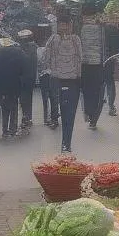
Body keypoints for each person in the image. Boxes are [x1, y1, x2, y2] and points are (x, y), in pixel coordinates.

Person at [46, 14, 83, 153]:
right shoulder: (75, 39)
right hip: (69, 81)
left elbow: (45, 58)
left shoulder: (55, 39)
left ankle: (66, 143)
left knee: (65, 112)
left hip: (61, 81)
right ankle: (66, 144)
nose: (63, 27)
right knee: (68, 114)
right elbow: (80, 59)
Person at [0, 34, 28, 138]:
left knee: (5, 107)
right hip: (15, 82)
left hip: (2, 83)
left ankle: (5, 130)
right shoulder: (18, 51)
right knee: (14, 106)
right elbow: (24, 66)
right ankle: (13, 129)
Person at [79, 4, 106, 130]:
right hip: (98, 64)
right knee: (97, 92)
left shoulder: (80, 27)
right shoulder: (101, 27)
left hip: (84, 64)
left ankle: (89, 114)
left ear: (84, 14)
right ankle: (93, 119)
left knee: (87, 91)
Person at [37, 31, 58, 128]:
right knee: (54, 98)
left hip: (44, 76)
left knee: (46, 99)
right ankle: (54, 118)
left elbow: (39, 64)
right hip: (53, 76)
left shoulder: (41, 51)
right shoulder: (58, 52)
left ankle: (47, 119)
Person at [18, 30, 37, 132]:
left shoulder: (26, 48)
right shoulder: (33, 47)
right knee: (26, 98)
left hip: (25, 77)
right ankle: (27, 117)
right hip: (28, 77)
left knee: (24, 98)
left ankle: (26, 117)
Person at [104, 21, 119, 117]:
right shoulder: (117, 32)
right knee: (110, 82)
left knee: (102, 83)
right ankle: (111, 106)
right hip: (110, 59)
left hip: (98, 60)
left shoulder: (102, 29)